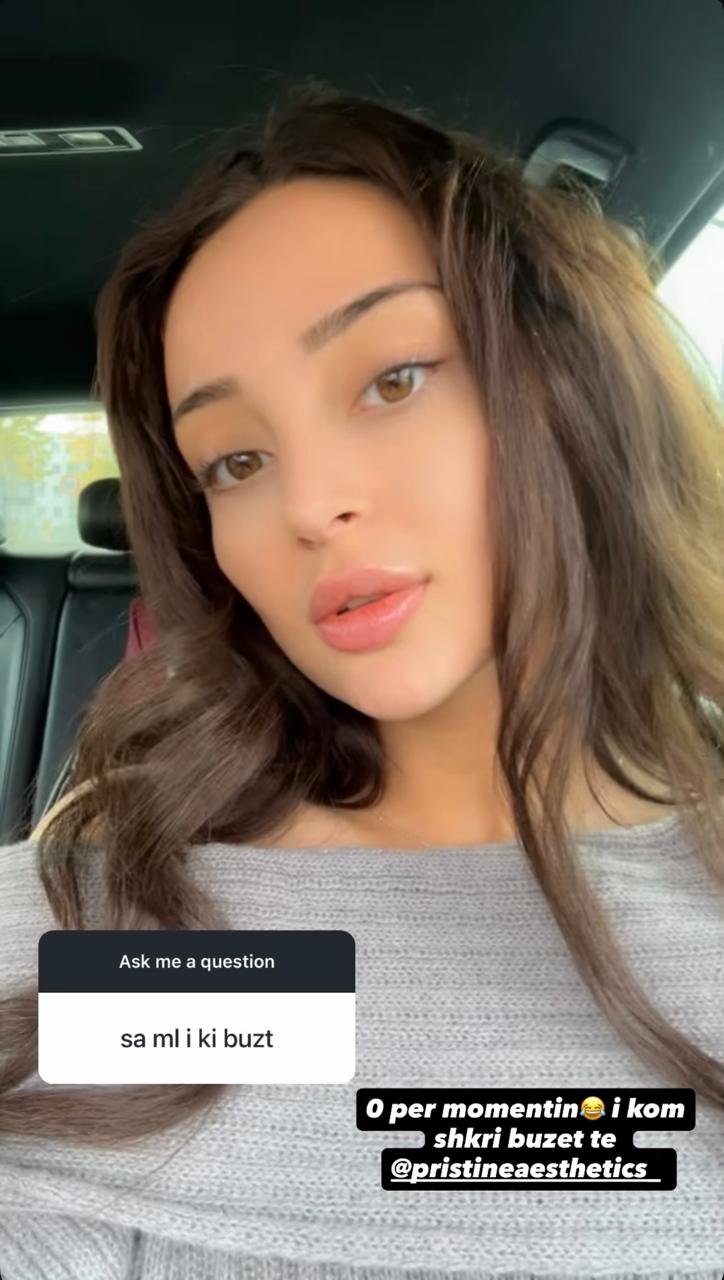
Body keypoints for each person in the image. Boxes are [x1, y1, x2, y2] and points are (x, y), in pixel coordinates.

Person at [0, 79, 723, 1279]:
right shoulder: (151, 932)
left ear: (573, 384)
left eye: (392, 380)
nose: (307, 503)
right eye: (235, 460)